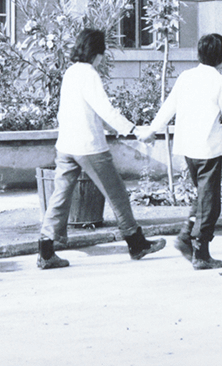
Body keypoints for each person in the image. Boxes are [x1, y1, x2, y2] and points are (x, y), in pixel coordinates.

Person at [37, 27, 166, 269]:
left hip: (65, 145)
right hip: (89, 146)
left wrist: (113, 127)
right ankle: (136, 243)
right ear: (96, 53)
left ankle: (45, 251)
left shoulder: (70, 73)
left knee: (60, 197)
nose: (103, 57)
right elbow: (104, 109)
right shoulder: (89, 74)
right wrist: (133, 129)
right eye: (102, 52)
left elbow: (72, 110)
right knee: (117, 193)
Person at [137, 33, 222, 270]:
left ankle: (185, 237)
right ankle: (201, 253)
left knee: (203, 197)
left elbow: (168, 107)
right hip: (208, 150)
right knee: (211, 204)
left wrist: (151, 130)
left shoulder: (185, 77)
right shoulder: (220, 82)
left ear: (199, 54)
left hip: (187, 148)